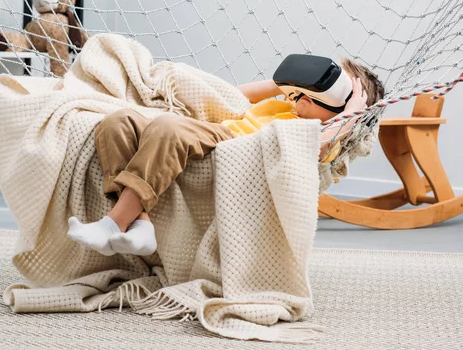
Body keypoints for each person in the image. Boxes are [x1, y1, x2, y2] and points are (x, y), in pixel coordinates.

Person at [67, 57, 385, 256]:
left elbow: (316, 151)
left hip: (235, 145)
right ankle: (142, 225)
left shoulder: (321, 130)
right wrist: (284, 84)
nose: (304, 95)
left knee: (167, 127)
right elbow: (235, 95)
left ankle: (113, 224)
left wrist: (353, 114)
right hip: (214, 129)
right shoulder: (286, 105)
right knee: (118, 122)